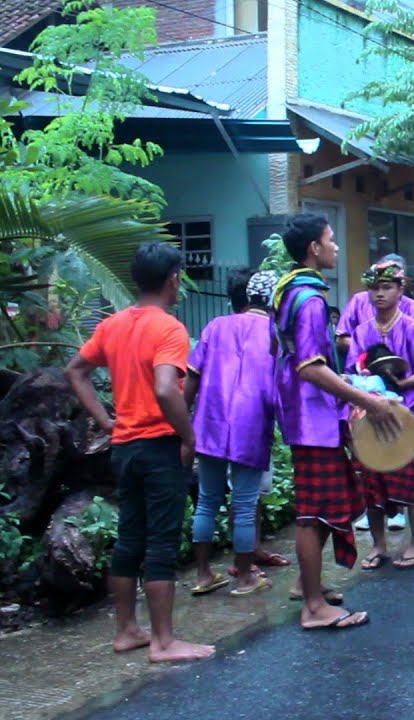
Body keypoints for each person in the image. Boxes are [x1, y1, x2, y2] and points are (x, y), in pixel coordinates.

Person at [64, 242, 215, 663]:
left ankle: (128, 630)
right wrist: (188, 436)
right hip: (158, 446)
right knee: (162, 542)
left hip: (124, 447)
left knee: (130, 537)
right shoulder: (168, 328)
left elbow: (75, 371)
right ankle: (164, 643)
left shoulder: (112, 326)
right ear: (173, 279)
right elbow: (168, 388)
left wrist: (106, 420)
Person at [273, 212, 401, 631]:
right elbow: (309, 367)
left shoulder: (293, 289)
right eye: (331, 240)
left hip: (310, 413)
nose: (335, 247)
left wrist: (349, 384)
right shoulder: (309, 300)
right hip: (312, 418)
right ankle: (313, 607)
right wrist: (367, 399)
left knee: (332, 500)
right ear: (313, 248)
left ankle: (305, 584)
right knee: (313, 514)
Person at [184, 268, 280, 597]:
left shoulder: (215, 326)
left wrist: (184, 419)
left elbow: (192, 376)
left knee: (207, 502)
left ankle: (203, 574)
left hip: (209, 423)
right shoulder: (275, 333)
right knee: (243, 505)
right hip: (250, 426)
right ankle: (243, 579)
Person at [347, 260, 414, 570]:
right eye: (374, 288)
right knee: (372, 478)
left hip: (407, 413)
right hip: (370, 413)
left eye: (386, 287)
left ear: (401, 290)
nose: (379, 294)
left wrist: (402, 383)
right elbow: (351, 373)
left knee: (412, 479)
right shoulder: (361, 332)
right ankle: (378, 544)